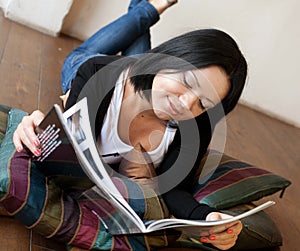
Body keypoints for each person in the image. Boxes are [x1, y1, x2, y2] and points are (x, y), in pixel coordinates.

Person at [11, 0, 247, 250]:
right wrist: (37, 126)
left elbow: (175, 190)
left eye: (204, 102)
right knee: (86, 52)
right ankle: (147, 8)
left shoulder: (197, 126)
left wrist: (207, 218)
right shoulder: (95, 74)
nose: (186, 104)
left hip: (147, 73)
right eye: (188, 81)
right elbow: (68, 145)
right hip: (91, 69)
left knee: (141, 60)